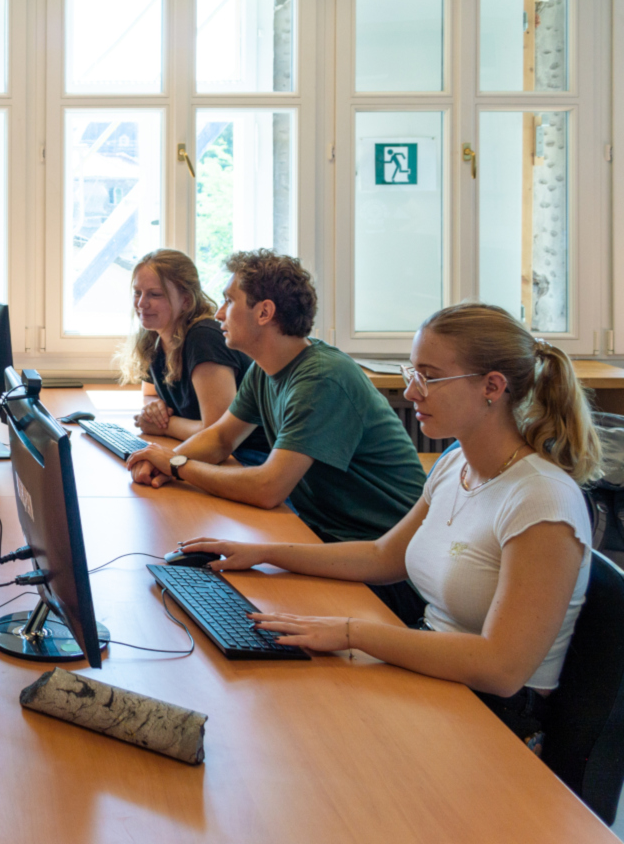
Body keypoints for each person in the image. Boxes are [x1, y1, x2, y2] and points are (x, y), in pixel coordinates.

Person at [178, 302, 598, 751]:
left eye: (429, 377)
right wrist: (263, 553)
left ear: (492, 387)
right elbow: (384, 556)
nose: (412, 393)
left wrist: (351, 632)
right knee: (278, 714)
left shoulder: (541, 500)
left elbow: (501, 668)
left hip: (498, 716)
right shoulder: (456, 462)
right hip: (438, 673)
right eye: (411, 372)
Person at [125, 249, 427, 622]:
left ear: (264, 313)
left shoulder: (320, 378)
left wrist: (176, 463)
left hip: (391, 572)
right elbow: (220, 439)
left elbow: (268, 489)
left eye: (229, 301)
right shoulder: (267, 370)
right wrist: (162, 467)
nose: (218, 313)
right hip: (330, 540)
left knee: (247, 612)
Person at [116, 249, 269, 462]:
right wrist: (155, 410)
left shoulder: (203, 337)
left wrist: (165, 425)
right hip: (215, 453)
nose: (141, 303)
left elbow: (216, 432)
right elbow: (150, 393)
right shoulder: (155, 337)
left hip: (248, 456)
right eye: (137, 292)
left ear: (186, 301)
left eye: (155, 294)